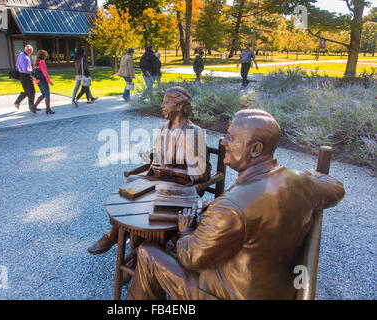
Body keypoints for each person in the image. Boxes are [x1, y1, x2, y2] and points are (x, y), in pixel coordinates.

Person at [128, 108, 345, 300]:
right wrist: (306, 174)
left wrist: (185, 231)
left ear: (256, 149)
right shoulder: (302, 182)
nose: (224, 142)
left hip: (226, 293)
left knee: (148, 252)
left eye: (231, 138)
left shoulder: (229, 207)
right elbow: (336, 187)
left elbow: (191, 258)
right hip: (274, 287)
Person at [88, 86, 211, 255]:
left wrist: (170, 172)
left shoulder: (194, 133)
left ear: (180, 106)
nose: (162, 106)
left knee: (147, 197)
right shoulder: (163, 128)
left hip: (180, 186)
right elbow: (159, 156)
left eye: (166, 102)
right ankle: (125, 238)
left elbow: (201, 174)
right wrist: (151, 156)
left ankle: (120, 240)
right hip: (159, 179)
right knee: (130, 183)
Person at [14, 45, 37, 113]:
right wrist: (33, 71)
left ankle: (17, 102)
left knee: (27, 91)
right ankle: (31, 106)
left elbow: (16, 65)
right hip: (26, 76)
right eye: (31, 51)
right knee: (32, 91)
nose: (31, 53)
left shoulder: (20, 55)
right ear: (29, 51)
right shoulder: (26, 58)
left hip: (21, 75)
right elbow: (26, 70)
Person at [31, 50, 55, 114]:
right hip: (43, 80)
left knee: (43, 94)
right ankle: (48, 109)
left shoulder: (36, 62)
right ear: (43, 56)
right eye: (45, 55)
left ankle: (34, 106)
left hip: (38, 81)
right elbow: (45, 72)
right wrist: (48, 80)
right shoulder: (42, 62)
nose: (46, 56)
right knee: (47, 95)